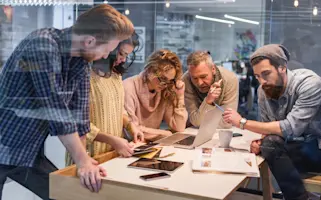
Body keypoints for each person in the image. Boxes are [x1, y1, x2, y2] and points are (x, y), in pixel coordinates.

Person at [0, 4, 134, 199]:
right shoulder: (42, 45)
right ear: (89, 41)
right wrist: (82, 161)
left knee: (65, 195)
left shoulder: (80, 61)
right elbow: (55, 110)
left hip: (27, 151)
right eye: (107, 50)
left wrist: (83, 163)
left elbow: (79, 118)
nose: (106, 56)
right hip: (4, 145)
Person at [222, 44, 321, 200]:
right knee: (269, 143)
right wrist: (260, 141)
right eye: (257, 76)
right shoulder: (263, 91)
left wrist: (242, 122)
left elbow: (290, 128)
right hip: (301, 149)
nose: (262, 81)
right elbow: (269, 130)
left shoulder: (310, 83)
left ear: (282, 68)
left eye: (266, 74)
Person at [65, 32, 143, 167]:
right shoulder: (83, 75)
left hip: (112, 153)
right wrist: (111, 140)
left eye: (127, 56)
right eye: (121, 54)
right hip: (87, 156)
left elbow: (119, 110)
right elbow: (77, 123)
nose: (123, 59)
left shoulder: (115, 75)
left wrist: (131, 126)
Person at [123, 49, 187, 141]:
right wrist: (165, 133)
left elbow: (179, 127)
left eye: (170, 81)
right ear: (149, 70)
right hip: (131, 146)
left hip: (151, 144)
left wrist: (180, 97)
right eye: (162, 78)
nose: (165, 84)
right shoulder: (128, 87)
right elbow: (133, 130)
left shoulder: (165, 90)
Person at [182, 50, 239, 128]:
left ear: (213, 69)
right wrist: (208, 101)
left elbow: (227, 122)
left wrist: (202, 120)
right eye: (194, 78)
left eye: (203, 77)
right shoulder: (186, 80)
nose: (199, 83)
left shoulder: (230, 79)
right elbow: (196, 121)